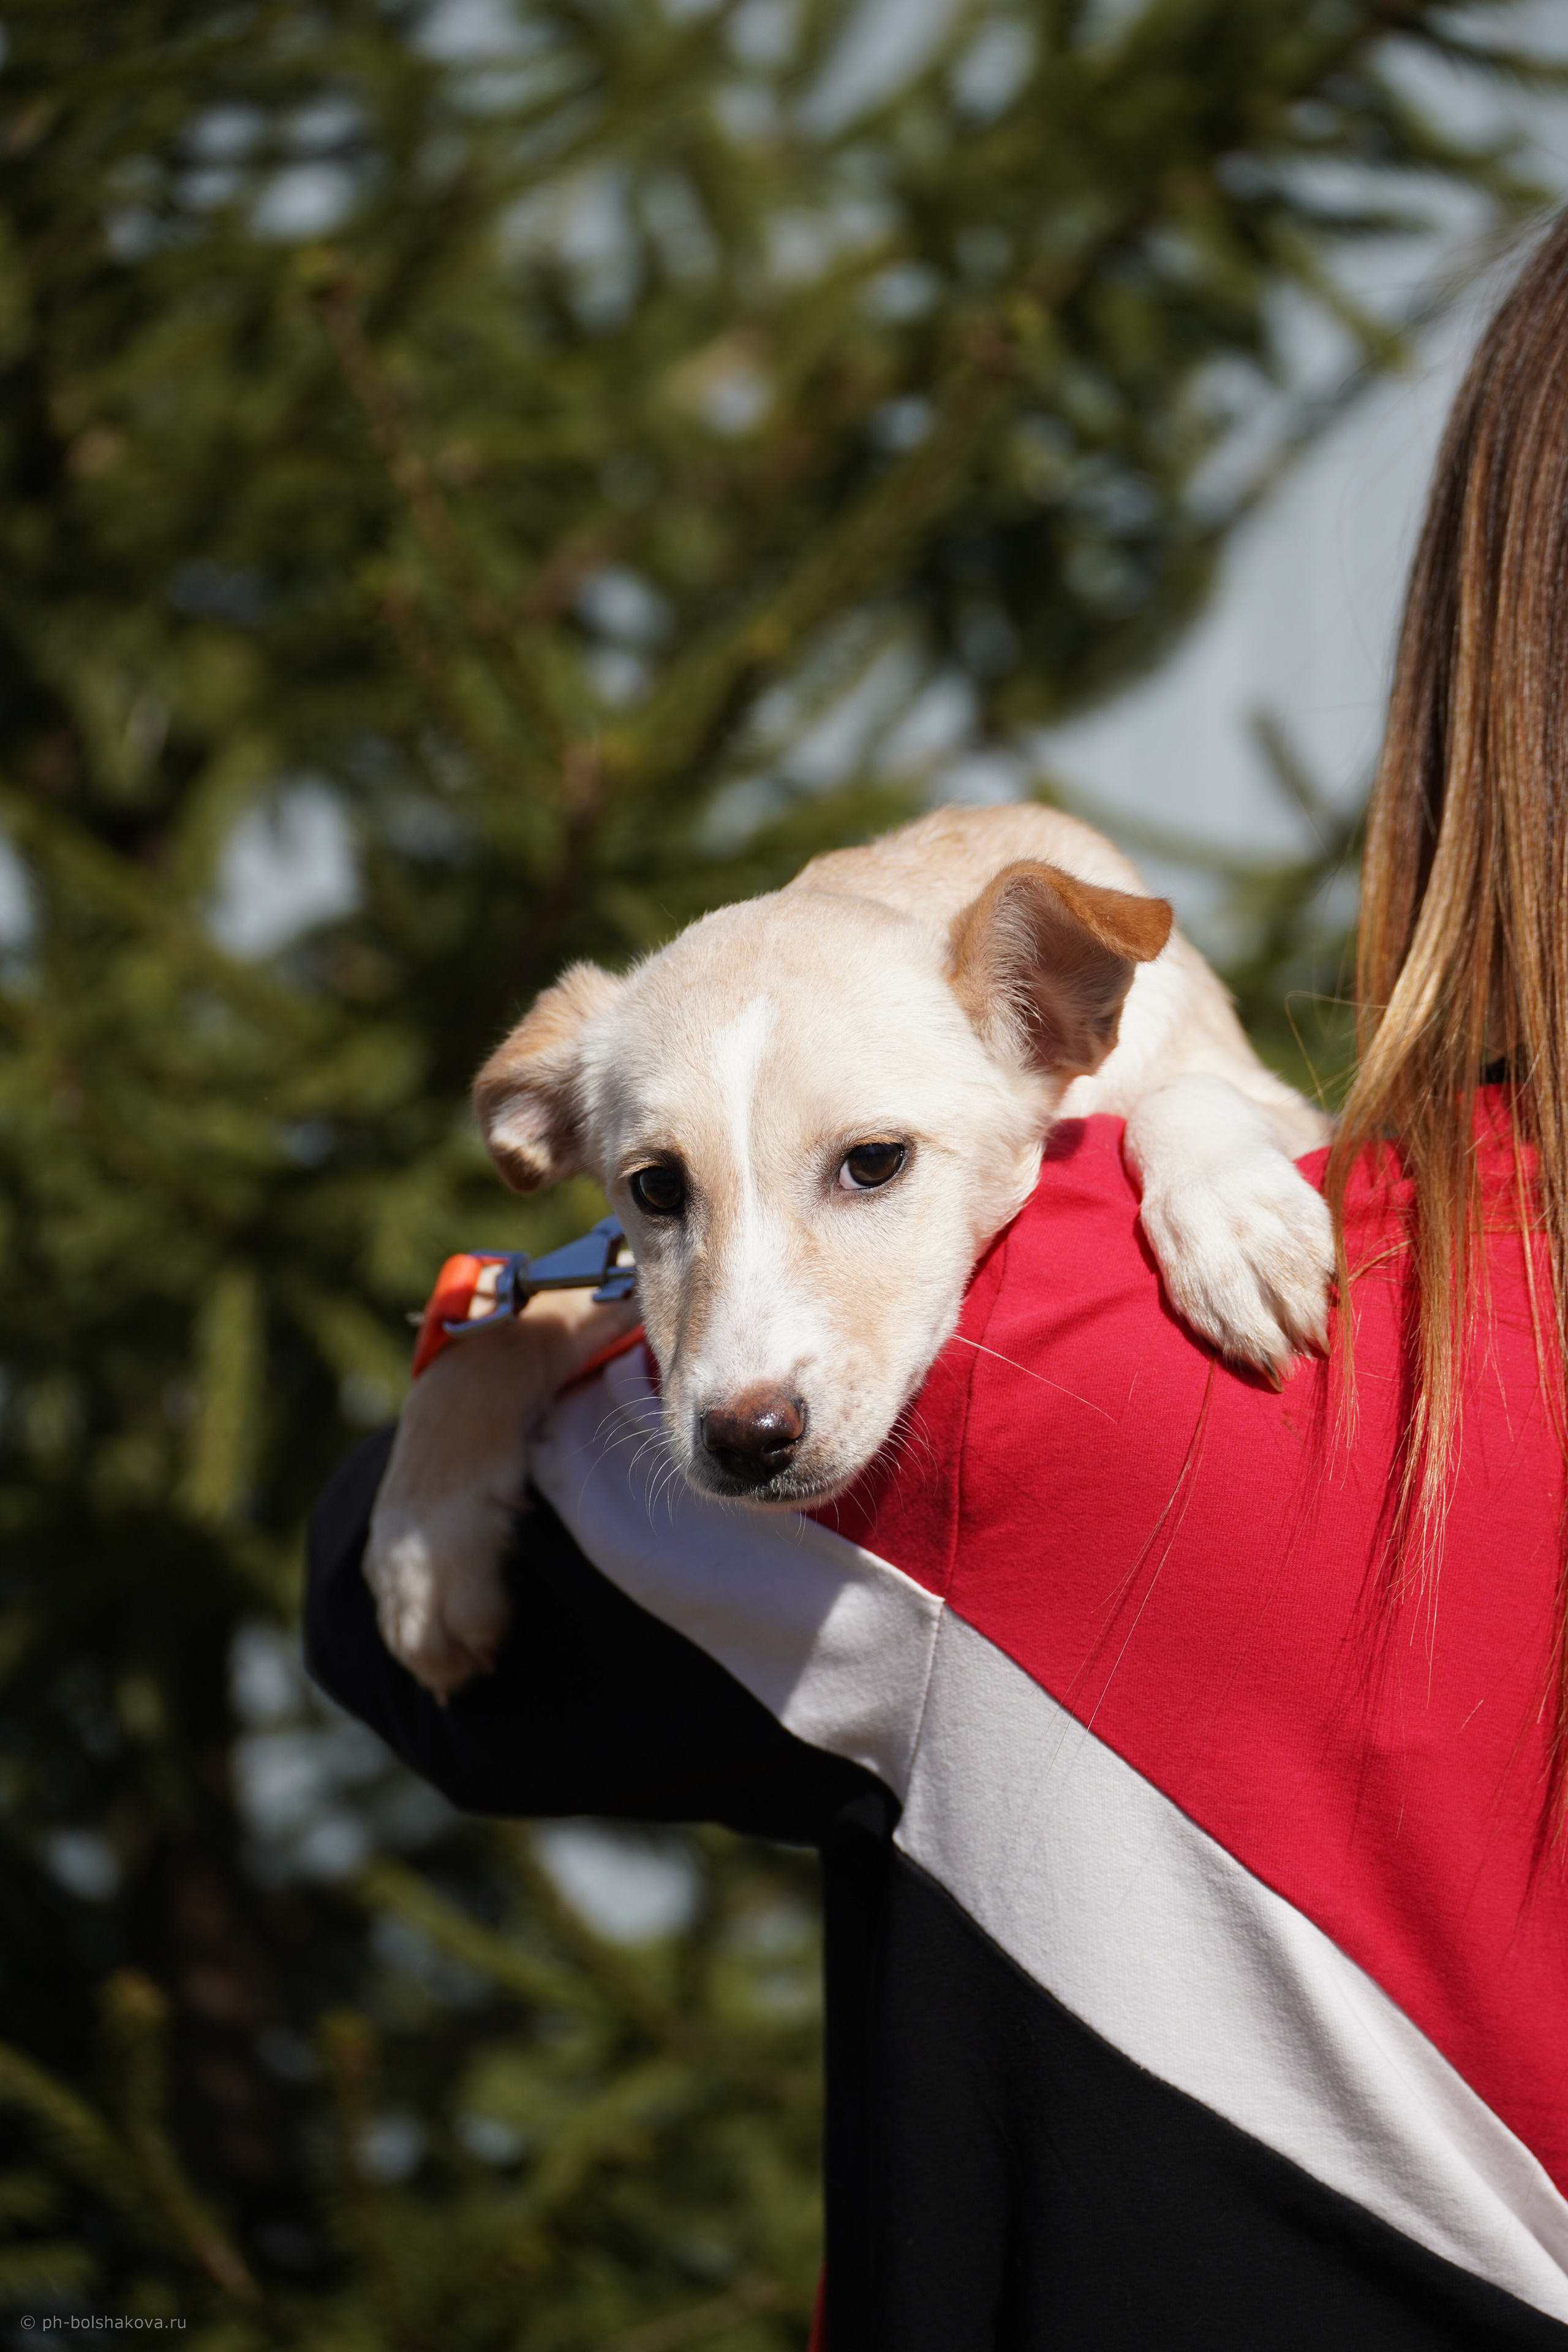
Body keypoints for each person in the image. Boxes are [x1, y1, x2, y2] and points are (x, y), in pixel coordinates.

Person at [306, 218, 1568, 2348]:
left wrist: (490, 1351)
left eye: (873, 1169)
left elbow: (390, 1620)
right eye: (673, 1199)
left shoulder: (1064, 1378)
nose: (758, 1376)